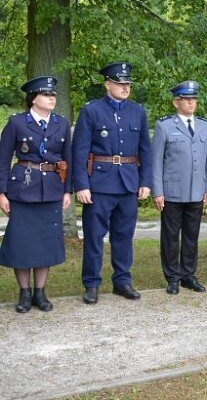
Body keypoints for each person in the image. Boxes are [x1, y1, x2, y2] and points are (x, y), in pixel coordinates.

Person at [72, 62, 152, 304]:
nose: (125, 87)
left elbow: (145, 150)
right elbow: (79, 151)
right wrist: (82, 184)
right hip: (99, 184)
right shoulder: (92, 111)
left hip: (128, 182)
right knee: (94, 237)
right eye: (120, 83)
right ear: (107, 84)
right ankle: (91, 284)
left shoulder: (137, 112)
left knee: (124, 236)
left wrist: (145, 181)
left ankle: (122, 281)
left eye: (127, 83)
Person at [0, 76, 71, 313]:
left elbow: (67, 160)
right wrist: (1, 192)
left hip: (51, 189)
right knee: (22, 244)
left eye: (53, 95)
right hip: (22, 190)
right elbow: (2, 160)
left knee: (45, 244)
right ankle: (24, 293)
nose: (52, 98)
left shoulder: (61, 124)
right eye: (46, 95)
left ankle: (40, 292)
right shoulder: (17, 123)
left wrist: (67, 190)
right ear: (33, 98)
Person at [151, 81, 207, 295]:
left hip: (196, 191)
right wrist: (157, 191)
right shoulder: (165, 126)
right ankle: (172, 277)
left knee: (191, 235)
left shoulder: (204, 126)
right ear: (176, 102)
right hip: (172, 193)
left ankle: (188, 274)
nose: (191, 102)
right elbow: (156, 161)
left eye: (193, 99)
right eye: (186, 99)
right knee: (170, 237)